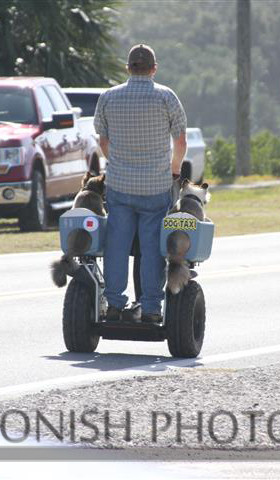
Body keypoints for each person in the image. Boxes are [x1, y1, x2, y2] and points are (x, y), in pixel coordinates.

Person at [94, 44, 187, 324]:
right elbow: (180, 141)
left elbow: (103, 141)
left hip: (120, 187)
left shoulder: (109, 97)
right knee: (150, 248)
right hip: (155, 188)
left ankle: (113, 304)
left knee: (117, 245)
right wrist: (174, 169)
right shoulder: (166, 97)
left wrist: (118, 163)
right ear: (154, 68)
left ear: (128, 68)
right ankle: (150, 308)